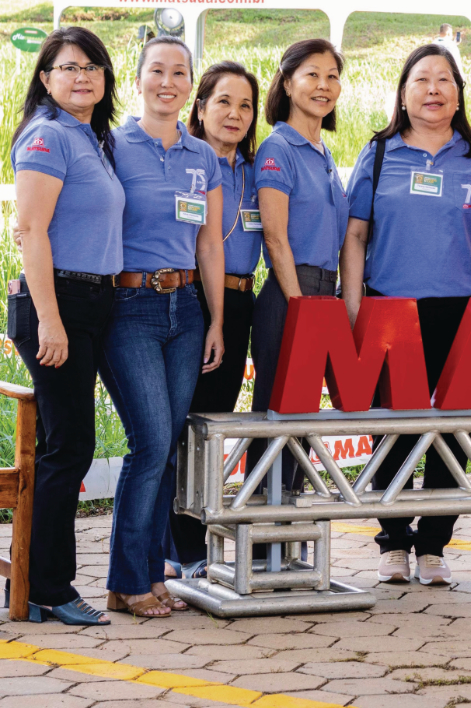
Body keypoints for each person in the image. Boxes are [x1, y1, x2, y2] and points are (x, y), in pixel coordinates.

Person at [341, 44, 471, 584]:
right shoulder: (378, 153)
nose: (434, 89)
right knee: (390, 431)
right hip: (389, 309)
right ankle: (393, 540)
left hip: (465, 310)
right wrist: (353, 311)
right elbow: (354, 236)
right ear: (403, 92)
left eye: (445, 79)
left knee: (450, 432)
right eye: (422, 79)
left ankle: (435, 544)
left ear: (459, 93)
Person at [100, 36, 224, 618]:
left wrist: (217, 318)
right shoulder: (112, 144)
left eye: (180, 72)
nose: (168, 81)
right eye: (157, 70)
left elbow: (209, 244)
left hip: (187, 309)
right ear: (140, 77)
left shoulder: (203, 157)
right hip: (130, 308)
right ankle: (126, 580)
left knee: (167, 448)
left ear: (190, 83)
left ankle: (150, 574)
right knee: (149, 443)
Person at [9, 28, 124, 625]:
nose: (83, 76)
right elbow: (31, 230)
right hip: (60, 304)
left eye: (93, 67)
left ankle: (38, 578)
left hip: (91, 301)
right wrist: (52, 321)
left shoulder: (90, 138)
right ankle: (47, 588)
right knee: (70, 445)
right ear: (46, 78)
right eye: (68, 66)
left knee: (66, 443)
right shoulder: (50, 136)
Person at [167, 61, 262, 579]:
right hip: (191, 301)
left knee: (214, 421)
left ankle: (195, 542)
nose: (234, 114)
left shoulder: (254, 169)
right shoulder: (188, 162)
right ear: (200, 107)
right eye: (223, 101)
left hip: (240, 303)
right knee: (179, 422)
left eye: (245, 105)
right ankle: (179, 547)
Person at [249, 40, 349, 488]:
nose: (323, 86)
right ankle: (262, 537)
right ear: (288, 83)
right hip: (292, 295)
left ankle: (287, 538)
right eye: (312, 75)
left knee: (302, 422)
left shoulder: (324, 154)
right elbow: (275, 237)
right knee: (276, 419)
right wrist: (299, 308)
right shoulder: (279, 147)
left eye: (332, 76)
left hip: (324, 296)